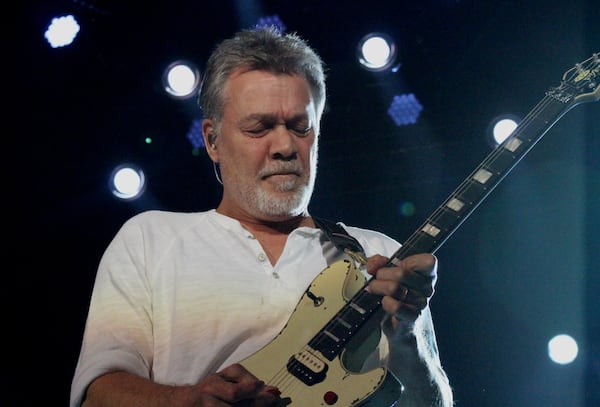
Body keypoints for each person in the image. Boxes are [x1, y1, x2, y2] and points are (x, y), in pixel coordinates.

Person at [70, 26, 453, 406]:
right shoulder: (148, 239)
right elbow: (98, 395)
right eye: (260, 127)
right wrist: (188, 400)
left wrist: (406, 338)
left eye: (300, 127)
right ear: (213, 140)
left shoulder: (379, 254)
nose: (285, 145)